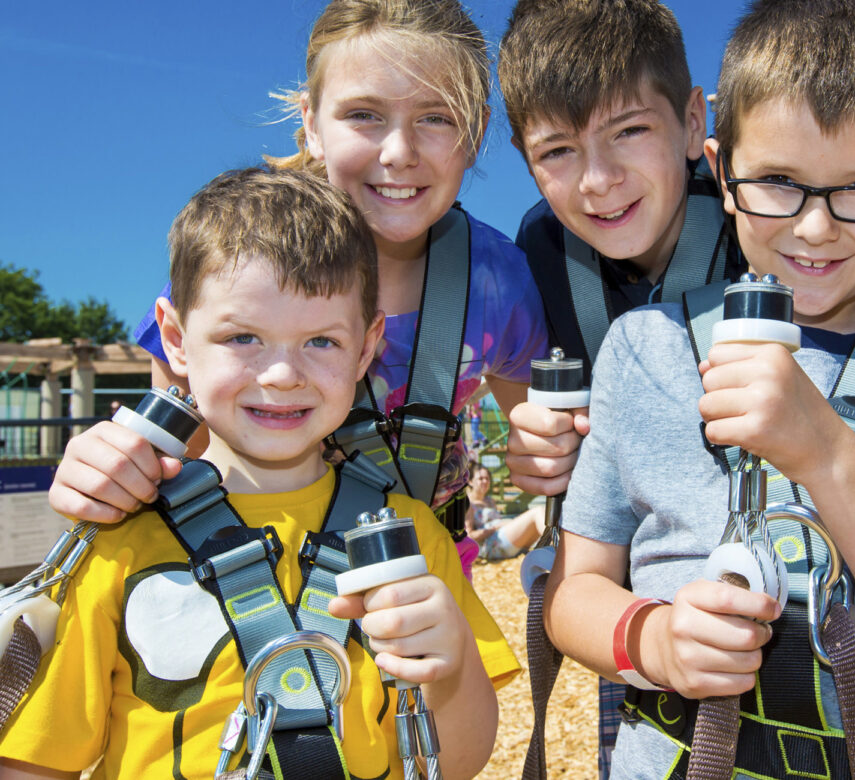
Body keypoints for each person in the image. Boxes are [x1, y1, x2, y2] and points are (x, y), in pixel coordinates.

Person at [496, 0, 855, 773]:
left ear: (692, 136)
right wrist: (654, 638)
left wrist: (826, 449)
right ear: (727, 166)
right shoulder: (593, 303)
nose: (814, 227)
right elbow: (579, 585)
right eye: (778, 181)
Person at [0, 166, 514, 779]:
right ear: (175, 339)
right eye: (243, 337)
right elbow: (38, 759)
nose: (281, 375)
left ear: (366, 345)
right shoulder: (116, 540)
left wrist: (449, 666)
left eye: (321, 341)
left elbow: (457, 764)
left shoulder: (408, 537)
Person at [45, 0, 548, 581]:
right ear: (311, 122)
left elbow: (540, 439)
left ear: (478, 129)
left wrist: (549, 453)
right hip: (244, 586)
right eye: (364, 114)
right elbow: (175, 459)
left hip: (417, 587)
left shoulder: (500, 285)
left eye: (437, 118)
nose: (399, 152)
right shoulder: (237, 264)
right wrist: (105, 473)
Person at [498, 0, 855, 504]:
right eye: (559, 150)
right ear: (524, 159)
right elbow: (529, 403)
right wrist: (540, 447)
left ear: (693, 123)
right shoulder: (540, 251)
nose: (600, 180)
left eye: (630, 130)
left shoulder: (769, 212)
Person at [465, 464, 544, 563]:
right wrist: (495, 528)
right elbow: (469, 536)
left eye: (487, 478)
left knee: (536, 523)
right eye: (480, 479)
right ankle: (559, 546)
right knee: (537, 512)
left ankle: (554, 550)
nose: (485, 481)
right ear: (470, 481)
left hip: (501, 536)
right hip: (491, 544)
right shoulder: (469, 504)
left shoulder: (490, 501)